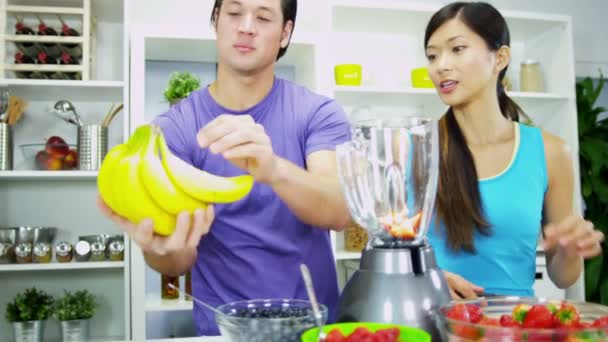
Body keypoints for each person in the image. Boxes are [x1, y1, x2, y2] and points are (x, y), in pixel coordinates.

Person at [97, 0, 352, 336]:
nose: (246, 26)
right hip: (223, 331)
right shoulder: (176, 127)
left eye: (263, 17)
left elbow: (339, 210)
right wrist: (159, 251)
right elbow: (176, 258)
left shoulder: (318, 113)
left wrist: (273, 169)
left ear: (285, 33)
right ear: (216, 20)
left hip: (313, 328)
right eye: (234, 13)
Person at [423, 2, 605, 300]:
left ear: (500, 58)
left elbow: (563, 277)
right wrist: (430, 278)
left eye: (457, 49)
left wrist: (571, 251)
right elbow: (384, 254)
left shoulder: (550, 152)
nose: (441, 65)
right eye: (432, 55)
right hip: (432, 318)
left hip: (512, 323)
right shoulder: (414, 147)